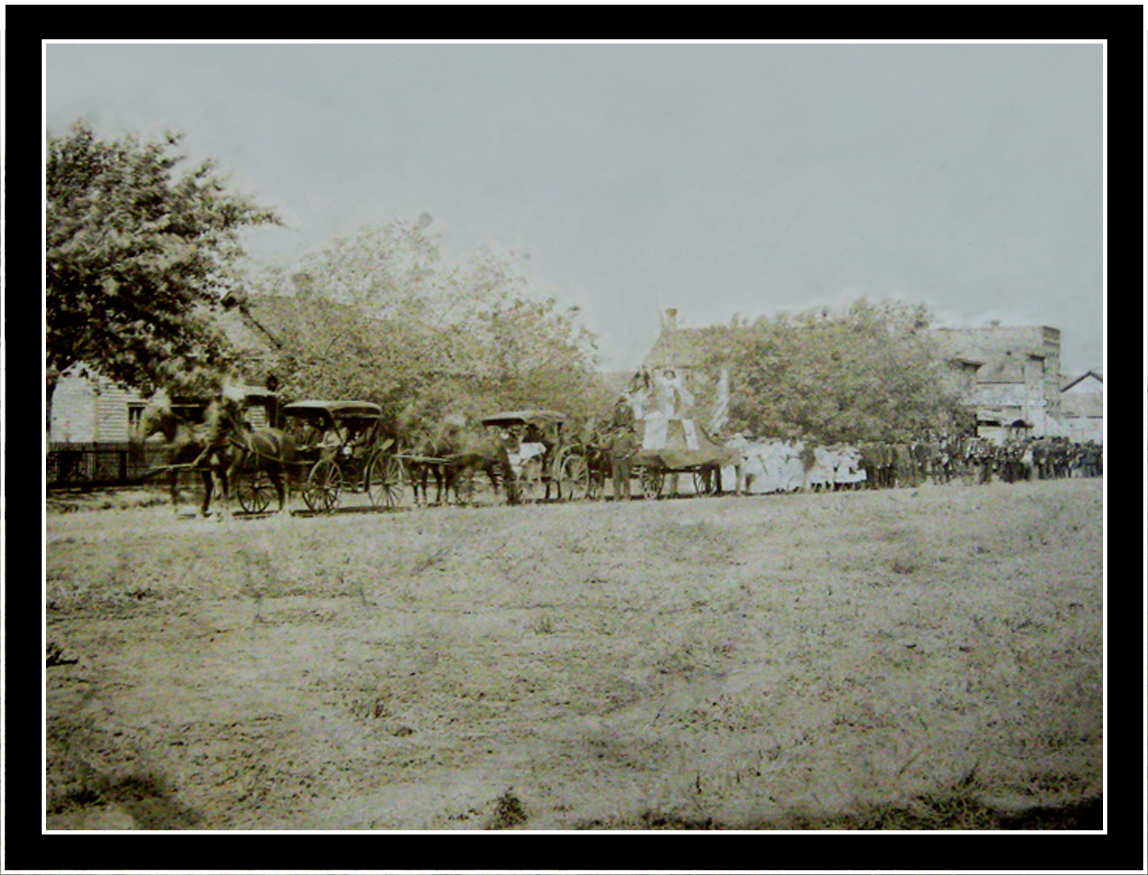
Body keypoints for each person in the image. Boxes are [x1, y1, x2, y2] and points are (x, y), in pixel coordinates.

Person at [608, 426, 639, 501]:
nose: (620, 430)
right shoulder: (614, 438)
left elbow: (635, 448)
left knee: (626, 478)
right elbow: (609, 447)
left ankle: (627, 496)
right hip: (616, 460)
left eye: (622, 428)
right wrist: (612, 455)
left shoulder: (628, 437)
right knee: (615, 479)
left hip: (624, 460)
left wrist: (628, 455)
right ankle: (616, 497)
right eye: (618, 428)